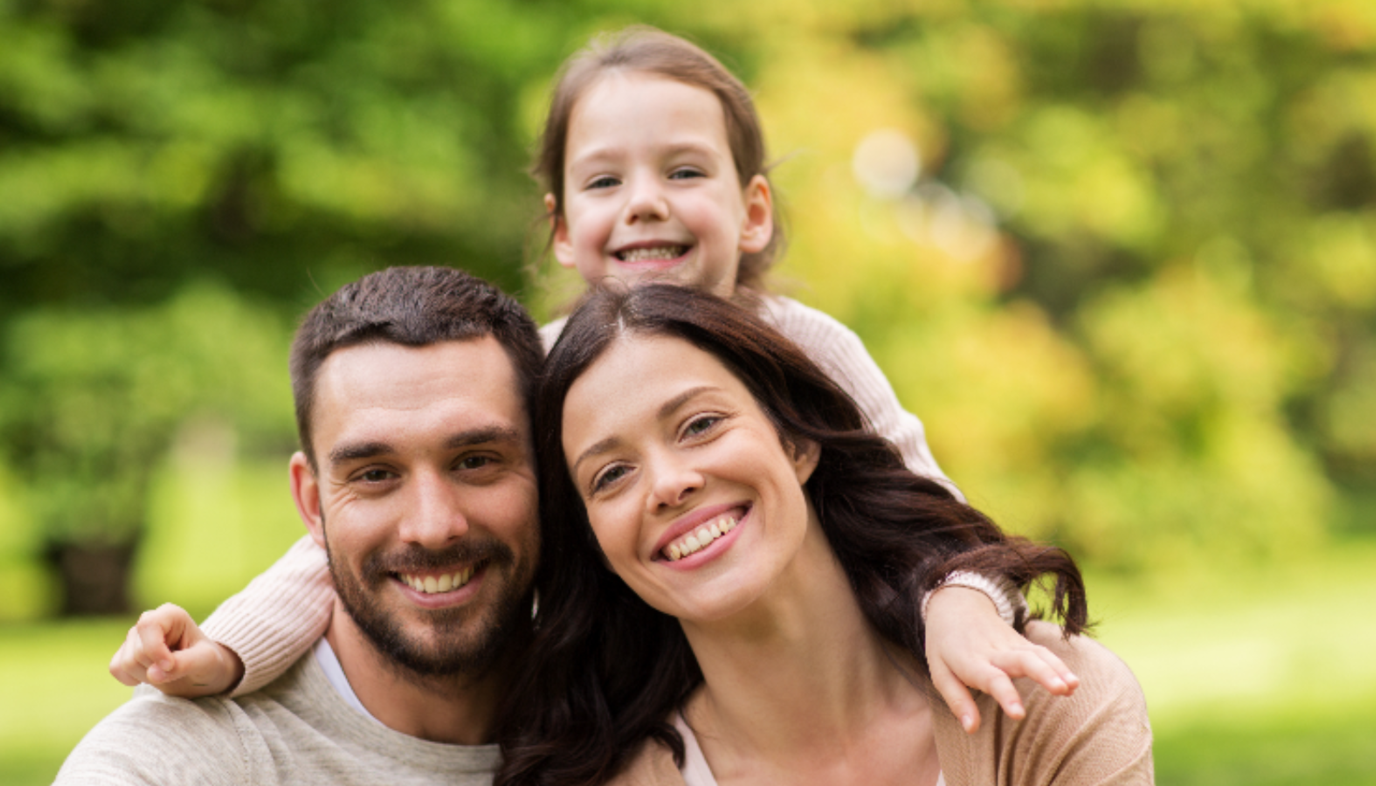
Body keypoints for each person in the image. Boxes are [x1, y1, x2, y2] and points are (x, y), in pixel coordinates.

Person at [111, 26, 1068, 733]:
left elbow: (930, 513)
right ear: (564, 228)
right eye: (606, 182)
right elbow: (362, 527)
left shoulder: (807, 347)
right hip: (636, 702)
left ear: (754, 210)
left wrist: (963, 606)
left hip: (822, 692)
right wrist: (231, 649)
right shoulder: (540, 368)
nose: (645, 201)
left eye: (684, 170)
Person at [499, 283, 1153, 786]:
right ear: (597, 547)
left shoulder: (1044, 703)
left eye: (699, 425)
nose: (668, 483)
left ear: (797, 442)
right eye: (611, 474)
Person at [58, 266, 545, 784]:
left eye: (475, 461)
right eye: (375, 474)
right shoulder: (180, 761)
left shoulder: (627, 717)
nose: (431, 526)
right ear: (312, 504)